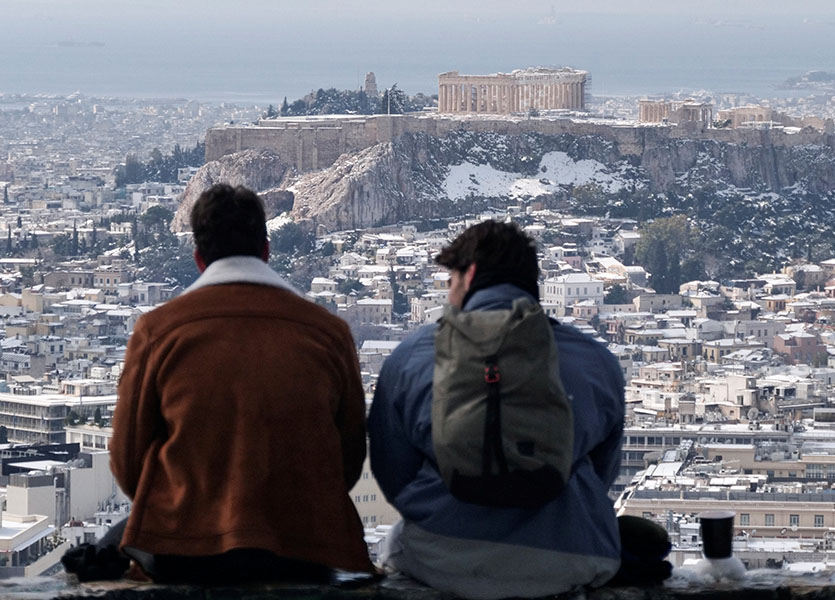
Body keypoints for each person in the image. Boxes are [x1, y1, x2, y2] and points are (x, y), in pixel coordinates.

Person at [109, 183, 374, 583]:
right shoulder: (328, 333)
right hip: (302, 553)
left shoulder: (158, 332)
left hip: (187, 551)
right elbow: (349, 455)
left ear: (199, 258)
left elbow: (129, 461)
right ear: (266, 251)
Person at [368, 220, 626, 600]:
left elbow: (395, 476)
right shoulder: (595, 361)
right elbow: (603, 472)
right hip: (572, 559)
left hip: (441, 558)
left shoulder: (411, 357)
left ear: (469, 274)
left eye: (450, 280)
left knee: (393, 542)